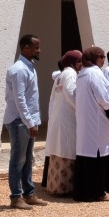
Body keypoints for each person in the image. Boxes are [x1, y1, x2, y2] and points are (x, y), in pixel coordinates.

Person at [3, 34, 48, 210]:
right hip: (18, 121)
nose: (39, 50)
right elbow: (19, 99)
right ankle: (16, 197)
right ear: (26, 48)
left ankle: (29, 194)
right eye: (36, 47)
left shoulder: (29, 67)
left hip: (27, 120)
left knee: (27, 159)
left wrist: (33, 121)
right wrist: (30, 122)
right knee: (18, 159)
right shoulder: (19, 69)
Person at [74, 46, 109, 202]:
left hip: (87, 121)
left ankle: (83, 191)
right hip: (98, 120)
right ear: (93, 58)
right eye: (101, 57)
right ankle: (98, 192)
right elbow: (103, 97)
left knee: (87, 155)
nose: (103, 60)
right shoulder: (95, 73)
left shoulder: (82, 74)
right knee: (99, 153)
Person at [44, 50, 81, 196]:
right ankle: (66, 188)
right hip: (68, 118)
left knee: (60, 148)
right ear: (73, 62)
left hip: (60, 117)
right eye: (78, 62)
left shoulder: (61, 75)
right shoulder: (71, 74)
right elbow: (72, 94)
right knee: (67, 149)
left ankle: (55, 186)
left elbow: (53, 98)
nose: (80, 65)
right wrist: (82, 109)